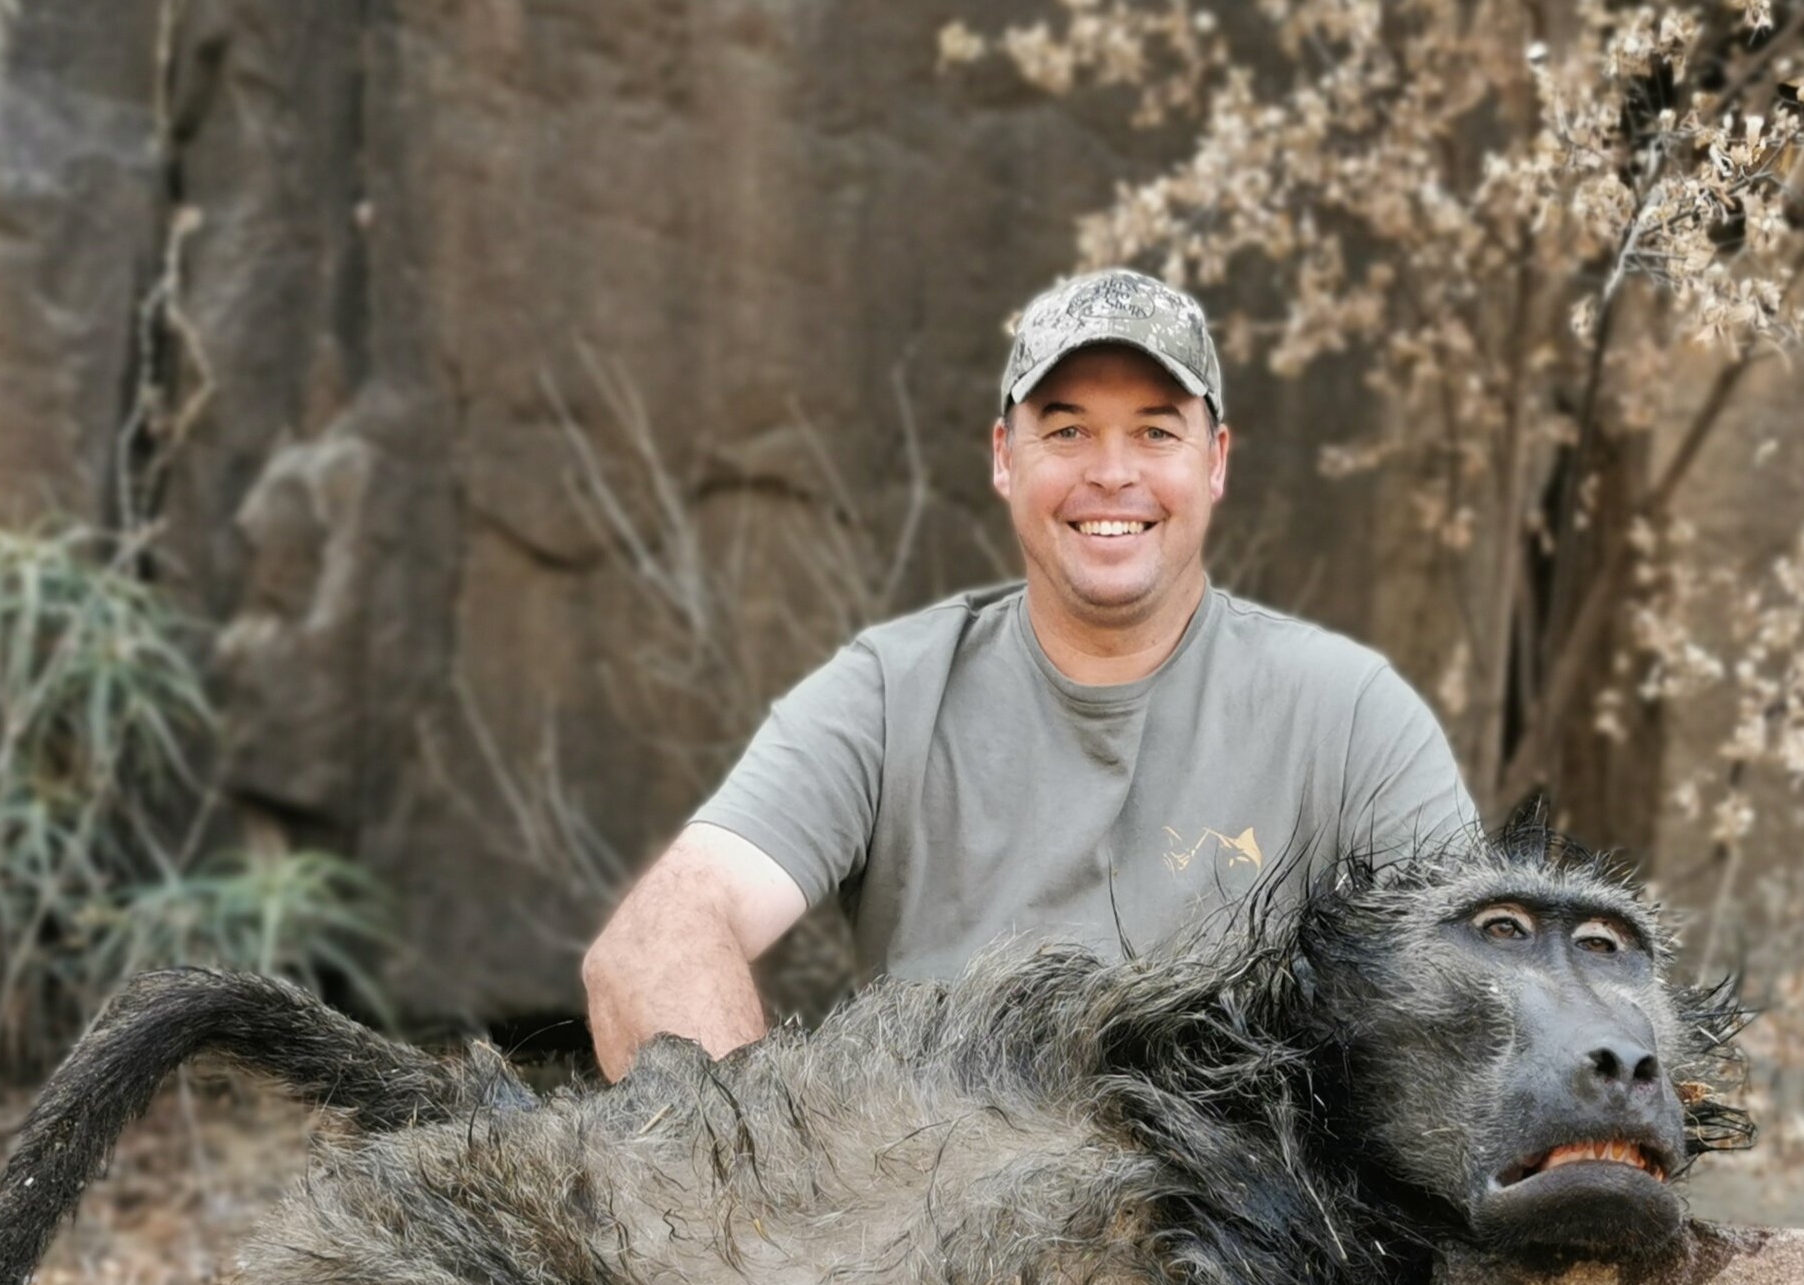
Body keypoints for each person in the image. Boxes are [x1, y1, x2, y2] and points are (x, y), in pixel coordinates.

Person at [583, 267, 1475, 1078]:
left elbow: (1479, 1004)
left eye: (1156, 430)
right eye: (1068, 429)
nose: (1112, 473)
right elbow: (649, 947)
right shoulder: (889, 695)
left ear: (1215, 462)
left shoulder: (1353, 715)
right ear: (1006, 458)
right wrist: (761, 1182)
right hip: (943, 1226)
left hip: (1244, 1237)